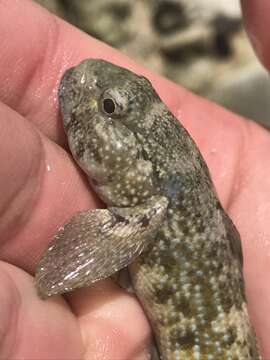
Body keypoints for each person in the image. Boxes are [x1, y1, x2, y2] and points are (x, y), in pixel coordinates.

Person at [0, 0, 269, 358]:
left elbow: (55, 274)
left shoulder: (148, 210)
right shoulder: (165, 192)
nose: (85, 78)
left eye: (107, 107)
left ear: (144, 173)